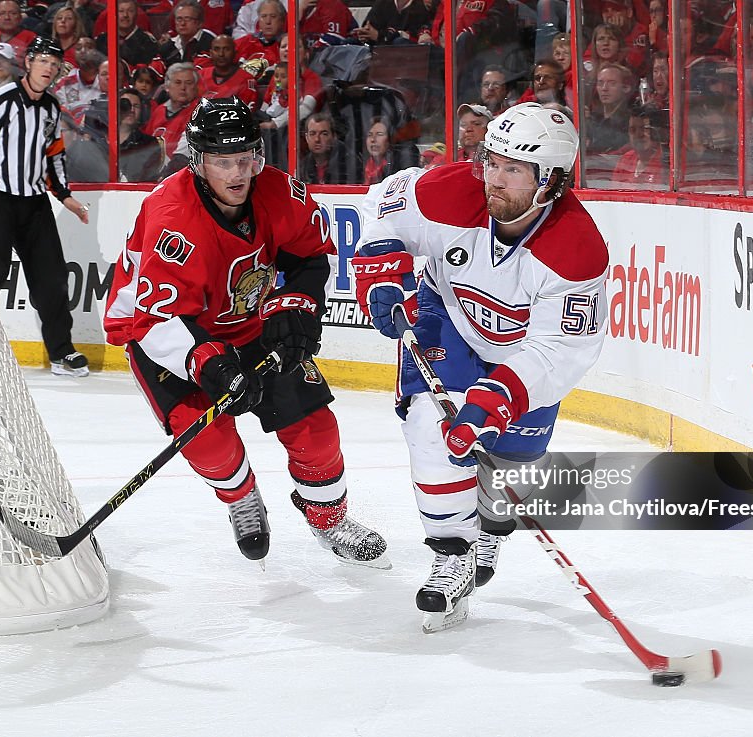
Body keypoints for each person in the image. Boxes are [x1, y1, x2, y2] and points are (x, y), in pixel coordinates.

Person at [102, 96, 389, 567]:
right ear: (198, 162)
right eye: (222, 162)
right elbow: (154, 319)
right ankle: (241, 499)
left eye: (246, 159)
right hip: (168, 334)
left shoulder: (279, 192)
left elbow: (309, 255)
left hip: (247, 325)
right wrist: (214, 369)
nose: (237, 174)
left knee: (316, 431)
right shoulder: (173, 221)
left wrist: (297, 305)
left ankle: (329, 518)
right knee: (212, 445)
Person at [352, 103, 608, 630]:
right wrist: (380, 268)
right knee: (432, 427)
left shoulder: (577, 250)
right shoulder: (450, 191)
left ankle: (490, 524)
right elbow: (386, 202)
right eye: (491, 161)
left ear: (552, 181)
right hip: (445, 316)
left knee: (510, 457)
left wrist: (502, 394)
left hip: (520, 354)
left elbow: (561, 349)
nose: (493, 178)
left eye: (513, 169)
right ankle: (451, 555)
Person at [0, 36, 91, 377]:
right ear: (29, 62)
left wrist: (65, 196)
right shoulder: (0, 100)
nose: (48, 68)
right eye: (43, 60)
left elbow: (54, 156)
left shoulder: (51, 107)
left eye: (54, 64)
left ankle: (62, 352)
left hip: (34, 204)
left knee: (52, 279)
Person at [298, 111, 354, 184]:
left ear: (334, 137)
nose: (317, 139)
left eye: (324, 134)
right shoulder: (302, 167)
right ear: (306, 138)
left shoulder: (349, 163)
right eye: (312, 134)